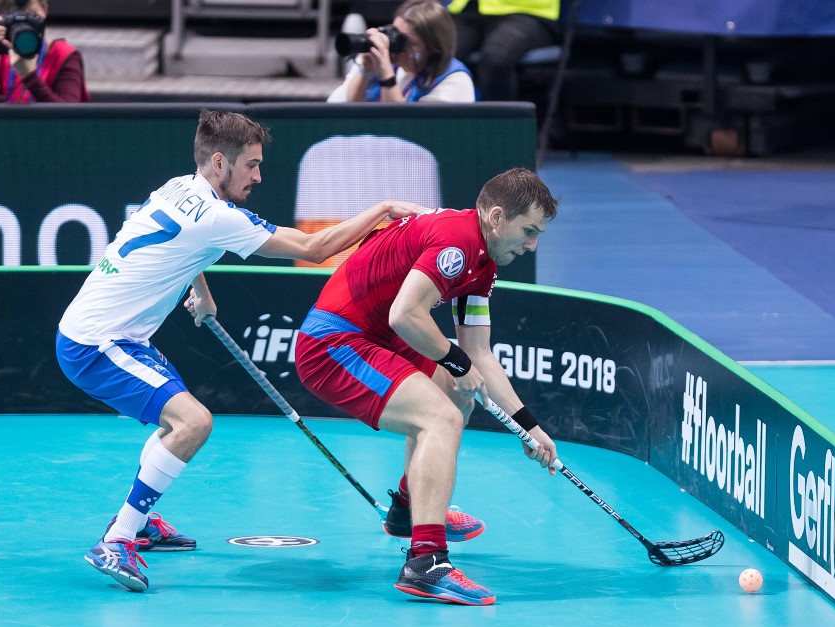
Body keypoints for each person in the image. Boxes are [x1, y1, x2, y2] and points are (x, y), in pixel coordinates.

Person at [56, 110, 426, 592]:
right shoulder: (216, 215)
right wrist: (380, 210)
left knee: (177, 422)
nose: (258, 175)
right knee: (193, 423)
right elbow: (313, 249)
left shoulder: (179, 187)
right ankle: (118, 538)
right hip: (98, 344)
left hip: (109, 336)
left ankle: (140, 524)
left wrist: (200, 288)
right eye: (250, 165)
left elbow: (185, 245)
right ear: (218, 162)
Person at [294, 167, 560, 606]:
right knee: (441, 418)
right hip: (333, 343)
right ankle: (426, 562)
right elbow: (406, 315)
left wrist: (528, 426)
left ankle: (407, 508)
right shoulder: (457, 242)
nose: (532, 245)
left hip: (376, 338)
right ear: (496, 216)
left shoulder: (484, 263)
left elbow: (479, 353)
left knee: (455, 392)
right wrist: (454, 360)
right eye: (528, 230)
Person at [327, 0, 476, 103]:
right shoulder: (380, 59)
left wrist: (386, 76)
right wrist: (365, 70)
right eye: (395, 35)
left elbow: (405, 130)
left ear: (433, 48)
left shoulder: (454, 81)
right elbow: (343, 110)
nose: (398, 48)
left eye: (410, 43)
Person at [0, 0, 90, 104]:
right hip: (12, 138)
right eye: (12, 14)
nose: (23, 22)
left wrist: (30, 77)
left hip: (52, 141)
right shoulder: (2, 53)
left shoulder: (64, 55)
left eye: (31, 14)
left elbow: (70, 120)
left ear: (45, 9)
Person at [448, 0, 560, 101]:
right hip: (468, 11)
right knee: (440, 55)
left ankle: (497, 122)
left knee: (495, 58)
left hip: (528, 12)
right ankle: (438, 121)